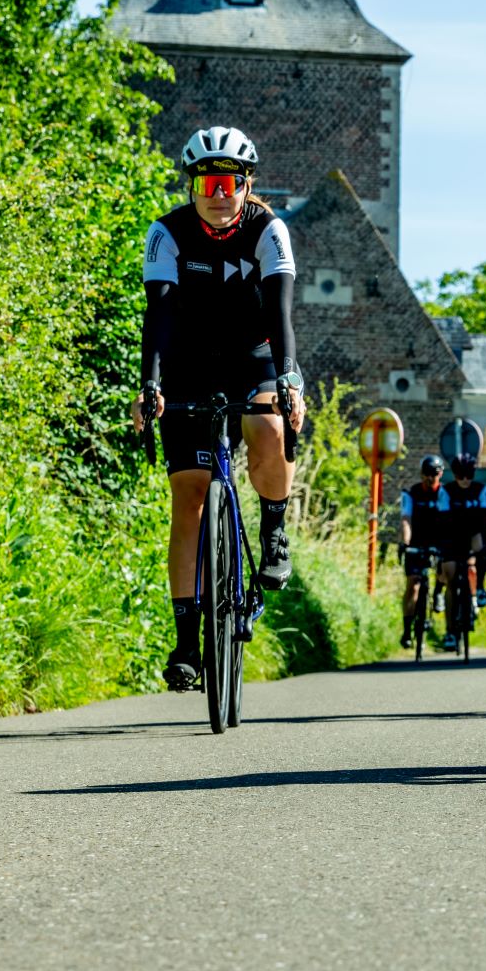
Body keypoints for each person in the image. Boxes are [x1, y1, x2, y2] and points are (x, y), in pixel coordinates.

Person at [130, 126, 305, 691]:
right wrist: (150, 385)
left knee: (267, 425)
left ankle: (273, 529)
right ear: (192, 186)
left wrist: (289, 381)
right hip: (189, 364)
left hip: (255, 357)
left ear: (246, 185)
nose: (219, 194)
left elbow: (280, 313)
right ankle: (186, 644)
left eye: (229, 183)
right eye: (207, 183)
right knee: (189, 497)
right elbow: (158, 317)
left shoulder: (268, 230)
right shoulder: (168, 233)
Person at [435, 454, 486, 652]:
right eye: (461, 476)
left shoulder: (482, 490)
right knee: (450, 579)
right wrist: (442, 550)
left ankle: (480, 587)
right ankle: (450, 631)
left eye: (469, 475)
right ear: (455, 475)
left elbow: (483, 523)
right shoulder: (446, 491)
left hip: (473, 534)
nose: (465, 480)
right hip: (451, 537)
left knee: (482, 550)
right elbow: (442, 522)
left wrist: (481, 550)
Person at [397, 455, 449, 649]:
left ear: (440, 474)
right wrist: (406, 543)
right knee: (413, 585)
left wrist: (446, 544)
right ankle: (407, 630)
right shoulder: (412, 493)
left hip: (438, 541)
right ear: (421, 474)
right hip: (416, 542)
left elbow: (447, 521)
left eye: (434, 474)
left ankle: (438, 592)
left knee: (446, 567)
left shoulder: (444, 494)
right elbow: (406, 520)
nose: (429, 478)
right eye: (426, 474)